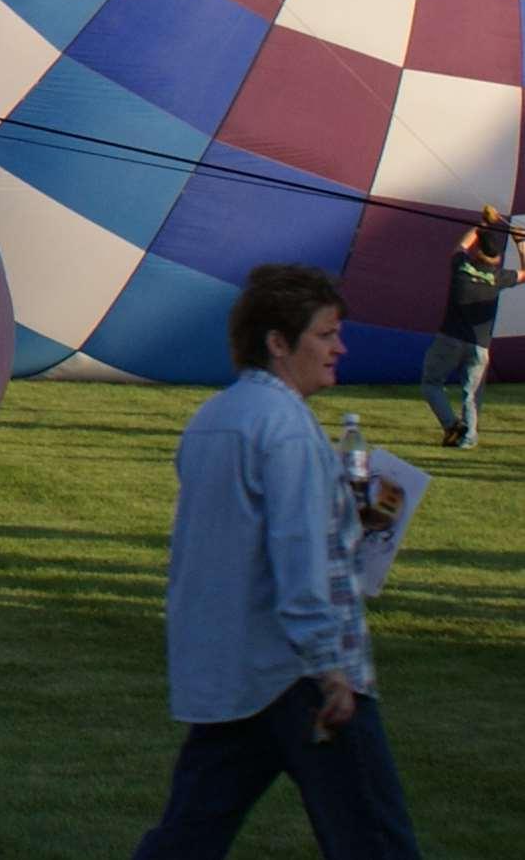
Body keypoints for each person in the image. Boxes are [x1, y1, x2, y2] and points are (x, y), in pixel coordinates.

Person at [129, 265, 420, 858]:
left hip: (234, 667)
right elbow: (297, 553)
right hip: (298, 671)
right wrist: (330, 670)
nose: (340, 347)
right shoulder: (286, 430)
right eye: (326, 333)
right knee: (374, 838)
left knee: (188, 838)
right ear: (278, 342)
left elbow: (236, 539)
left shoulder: (214, 417)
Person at [422, 206, 512, 450]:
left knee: (431, 384)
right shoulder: (499, 277)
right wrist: (521, 242)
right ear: (498, 258)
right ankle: (468, 438)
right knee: (471, 394)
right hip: (479, 346)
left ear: (477, 252)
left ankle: (452, 425)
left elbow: (462, 246)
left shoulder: (461, 267)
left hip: (449, 339)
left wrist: (483, 224)